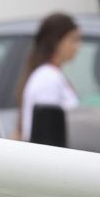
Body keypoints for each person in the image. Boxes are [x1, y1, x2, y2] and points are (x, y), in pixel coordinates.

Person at [16, 12, 82, 144]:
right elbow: (46, 132)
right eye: (73, 39)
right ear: (56, 40)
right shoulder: (47, 78)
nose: (78, 47)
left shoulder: (52, 75)